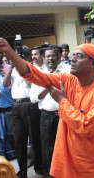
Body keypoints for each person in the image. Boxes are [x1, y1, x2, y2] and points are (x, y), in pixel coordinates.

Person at [0, 38, 94, 178]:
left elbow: (86, 126)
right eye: (73, 55)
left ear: (93, 63)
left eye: (79, 56)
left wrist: (62, 102)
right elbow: (35, 74)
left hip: (92, 164)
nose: (73, 59)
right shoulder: (68, 80)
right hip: (69, 160)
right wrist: (9, 51)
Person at [29, 46, 70, 178]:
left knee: (67, 147)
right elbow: (34, 98)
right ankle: (50, 175)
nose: (51, 58)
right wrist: (48, 86)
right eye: (48, 56)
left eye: (53, 56)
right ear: (44, 58)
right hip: (47, 116)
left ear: (58, 57)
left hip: (65, 115)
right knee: (48, 149)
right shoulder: (38, 75)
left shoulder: (67, 72)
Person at [3, 46, 43, 178]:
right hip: (16, 105)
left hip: (30, 105)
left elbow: (33, 85)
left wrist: (24, 71)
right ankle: (22, 171)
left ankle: (39, 169)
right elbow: (5, 84)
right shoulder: (12, 69)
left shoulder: (32, 68)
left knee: (34, 137)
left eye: (19, 57)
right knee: (19, 140)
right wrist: (11, 69)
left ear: (27, 58)